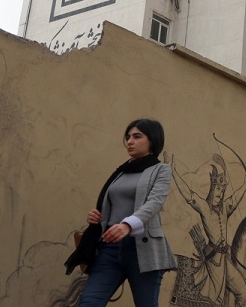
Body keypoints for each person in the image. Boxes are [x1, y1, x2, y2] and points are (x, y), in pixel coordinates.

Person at [71, 118, 176, 307]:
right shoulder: (121, 171)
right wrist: (97, 217)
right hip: (109, 248)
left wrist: (128, 224)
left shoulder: (161, 170)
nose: (130, 141)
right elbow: (113, 203)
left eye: (137, 136)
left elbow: (154, 202)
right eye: (128, 137)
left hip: (143, 250)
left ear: (152, 140)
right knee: (88, 303)